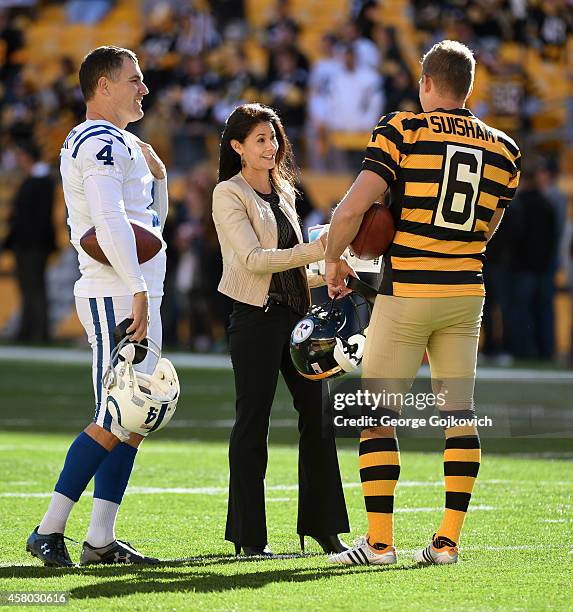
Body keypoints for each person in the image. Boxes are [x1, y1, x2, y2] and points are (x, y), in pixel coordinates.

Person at [323, 40, 521, 566]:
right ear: (469, 86)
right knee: (459, 413)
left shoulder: (403, 129)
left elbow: (353, 205)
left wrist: (333, 259)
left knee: (376, 416)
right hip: (465, 292)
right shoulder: (505, 149)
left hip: (409, 291)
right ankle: (448, 542)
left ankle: (380, 543)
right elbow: (487, 230)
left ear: (427, 83)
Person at [26, 46, 169, 567]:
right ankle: (48, 530)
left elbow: (151, 223)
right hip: (116, 293)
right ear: (103, 86)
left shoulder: (119, 141)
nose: (143, 89)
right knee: (113, 415)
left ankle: (101, 540)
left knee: (133, 418)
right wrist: (135, 288)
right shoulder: (99, 141)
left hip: (134, 290)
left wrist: (161, 178)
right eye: (134, 79)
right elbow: (108, 222)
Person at [212, 103, 350, 556]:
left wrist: (328, 274)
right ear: (237, 147)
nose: (271, 147)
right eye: (260, 140)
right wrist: (316, 251)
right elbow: (253, 262)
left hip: (297, 320)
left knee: (320, 418)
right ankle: (249, 539)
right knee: (253, 426)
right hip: (254, 320)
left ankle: (324, 528)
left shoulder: (284, 189)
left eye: (273, 139)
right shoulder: (227, 194)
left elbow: (290, 268)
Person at [4, 141, 56, 343]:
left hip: (33, 244)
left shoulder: (41, 180)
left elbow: (36, 216)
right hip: (28, 243)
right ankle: (29, 330)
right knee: (28, 287)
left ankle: (38, 332)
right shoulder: (37, 179)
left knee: (34, 287)